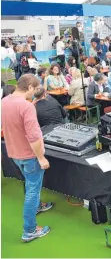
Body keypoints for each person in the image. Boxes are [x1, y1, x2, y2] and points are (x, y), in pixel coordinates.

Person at [1, 74, 53, 242]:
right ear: (30, 87)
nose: (35, 92)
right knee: (32, 191)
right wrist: (41, 158)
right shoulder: (27, 106)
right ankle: (29, 230)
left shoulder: (4, 101)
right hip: (30, 156)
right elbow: (34, 137)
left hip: (13, 153)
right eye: (35, 89)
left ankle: (38, 206)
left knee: (30, 186)